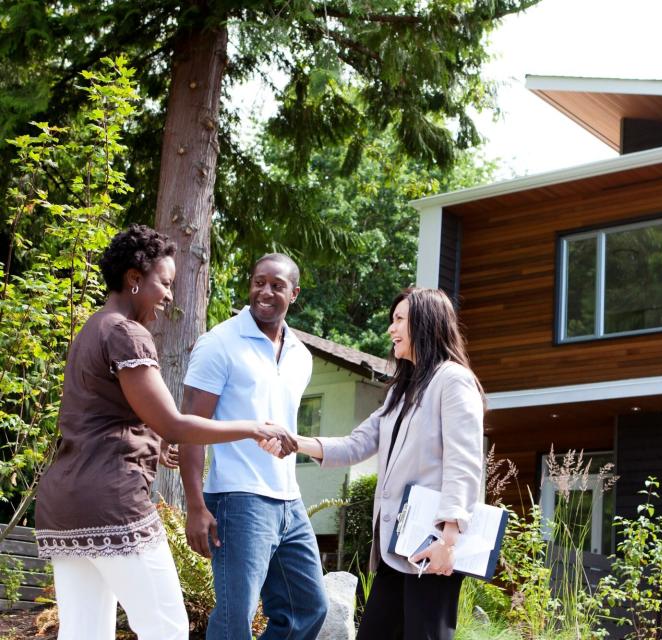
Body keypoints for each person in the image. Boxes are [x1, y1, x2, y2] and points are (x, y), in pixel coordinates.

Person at [34, 225, 297, 640]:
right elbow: (174, 423)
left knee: (84, 632)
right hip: (111, 502)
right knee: (168, 629)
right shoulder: (126, 333)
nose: (171, 295)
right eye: (165, 282)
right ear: (134, 279)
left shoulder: (93, 328)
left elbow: (101, 414)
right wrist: (252, 427)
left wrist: (152, 442)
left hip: (65, 505)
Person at [261, 287, 485, 640]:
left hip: (432, 547)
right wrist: (295, 442)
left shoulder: (453, 381)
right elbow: (357, 443)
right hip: (397, 547)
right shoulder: (402, 390)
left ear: (424, 323)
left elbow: (464, 461)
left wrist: (449, 540)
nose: (390, 330)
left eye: (398, 320)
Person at [179, 253, 328, 640]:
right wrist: (195, 506)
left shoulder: (302, 356)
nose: (265, 291)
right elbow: (190, 428)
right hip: (237, 498)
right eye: (259, 282)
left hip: (288, 500)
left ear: (293, 294)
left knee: (308, 607)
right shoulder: (220, 343)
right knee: (235, 619)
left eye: (277, 285)